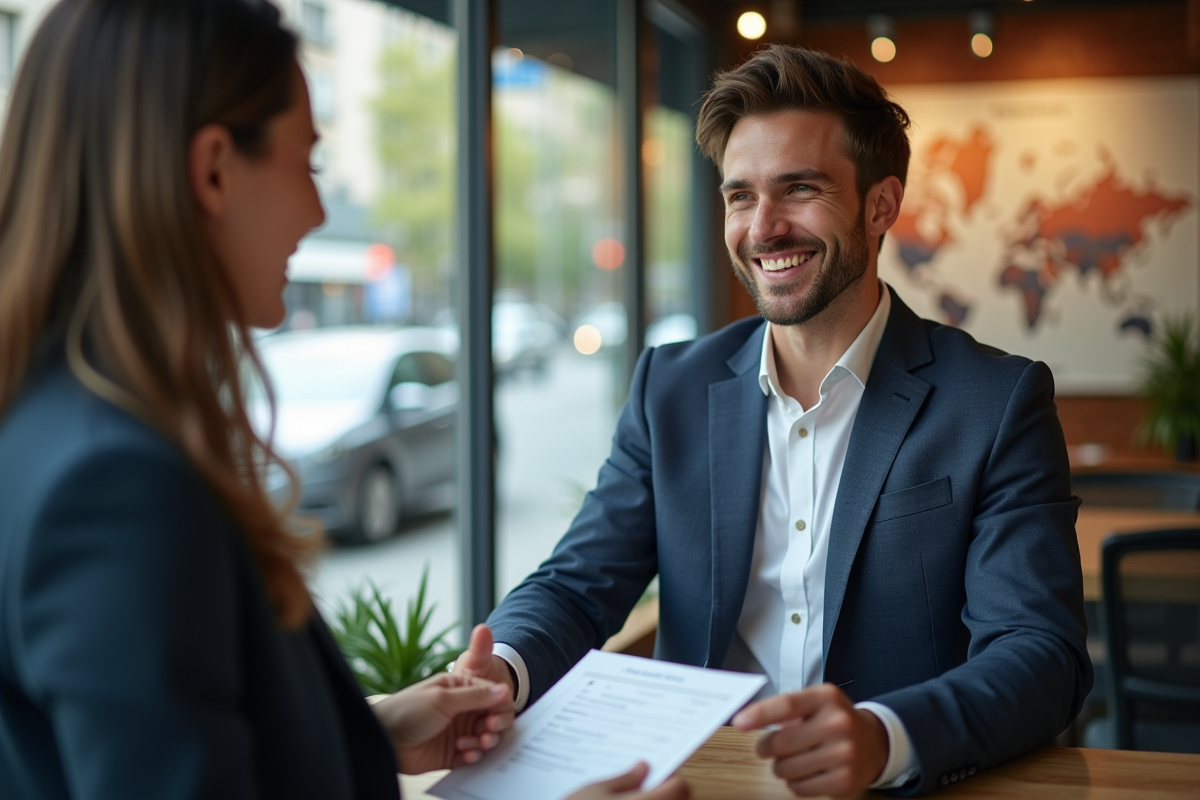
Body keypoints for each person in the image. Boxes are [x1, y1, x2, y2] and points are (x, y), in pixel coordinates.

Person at [0, 2, 685, 799]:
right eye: (308, 165)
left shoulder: (48, 429)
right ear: (214, 169)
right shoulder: (117, 486)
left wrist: (378, 728)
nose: (319, 212)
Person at [455, 44, 1092, 797]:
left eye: (800, 189)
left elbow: (1040, 651)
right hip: (697, 782)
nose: (763, 228)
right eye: (739, 196)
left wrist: (887, 735)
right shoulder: (672, 388)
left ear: (881, 205)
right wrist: (500, 670)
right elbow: (579, 583)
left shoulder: (995, 402)